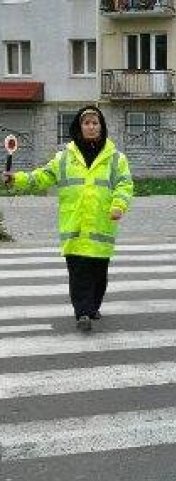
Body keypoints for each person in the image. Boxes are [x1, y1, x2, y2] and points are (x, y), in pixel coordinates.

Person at [1, 105, 133, 331]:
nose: (91, 127)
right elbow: (41, 177)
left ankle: (92, 307)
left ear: (101, 127)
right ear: (79, 127)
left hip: (102, 228)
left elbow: (124, 183)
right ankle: (82, 313)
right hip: (74, 227)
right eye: (86, 123)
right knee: (78, 273)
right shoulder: (64, 157)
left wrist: (119, 205)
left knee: (98, 275)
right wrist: (17, 179)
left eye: (95, 123)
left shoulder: (115, 158)